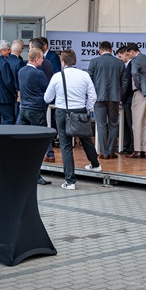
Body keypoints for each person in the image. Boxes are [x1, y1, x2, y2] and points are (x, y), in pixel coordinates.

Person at [44, 49, 101, 189]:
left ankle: (70, 181)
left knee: (66, 145)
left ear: (63, 62)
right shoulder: (84, 75)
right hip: (80, 111)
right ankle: (95, 165)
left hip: (62, 112)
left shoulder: (57, 76)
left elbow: (47, 98)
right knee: (86, 139)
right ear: (75, 61)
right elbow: (93, 96)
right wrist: (86, 107)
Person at [88, 41, 128, 159]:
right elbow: (125, 81)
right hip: (114, 98)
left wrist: (92, 95)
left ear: (100, 51)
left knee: (101, 125)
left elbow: (89, 81)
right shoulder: (119, 62)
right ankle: (111, 152)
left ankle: (104, 152)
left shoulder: (94, 61)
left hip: (98, 98)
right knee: (113, 124)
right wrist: (120, 95)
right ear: (111, 50)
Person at [18, 48, 51, 185]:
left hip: (24, 110)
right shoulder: (38, 73)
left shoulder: (21, 71)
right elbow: (48, 90)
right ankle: (36, 175)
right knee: (38, 144)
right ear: (36, 59)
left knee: (24, 143)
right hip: (37, 110)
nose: (43, 61)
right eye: (42, 58)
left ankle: (24, 172)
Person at [117, 46, 135, 154]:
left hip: (129, 99)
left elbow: (127, 84)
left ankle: (131, 147)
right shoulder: (127, 65)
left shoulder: (131, 64)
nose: (120, 59)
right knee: (126, 124)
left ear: (125, 54)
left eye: (120, 56)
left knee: (130, 124)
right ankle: (127, 145)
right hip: (126, 99)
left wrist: (121, 98)